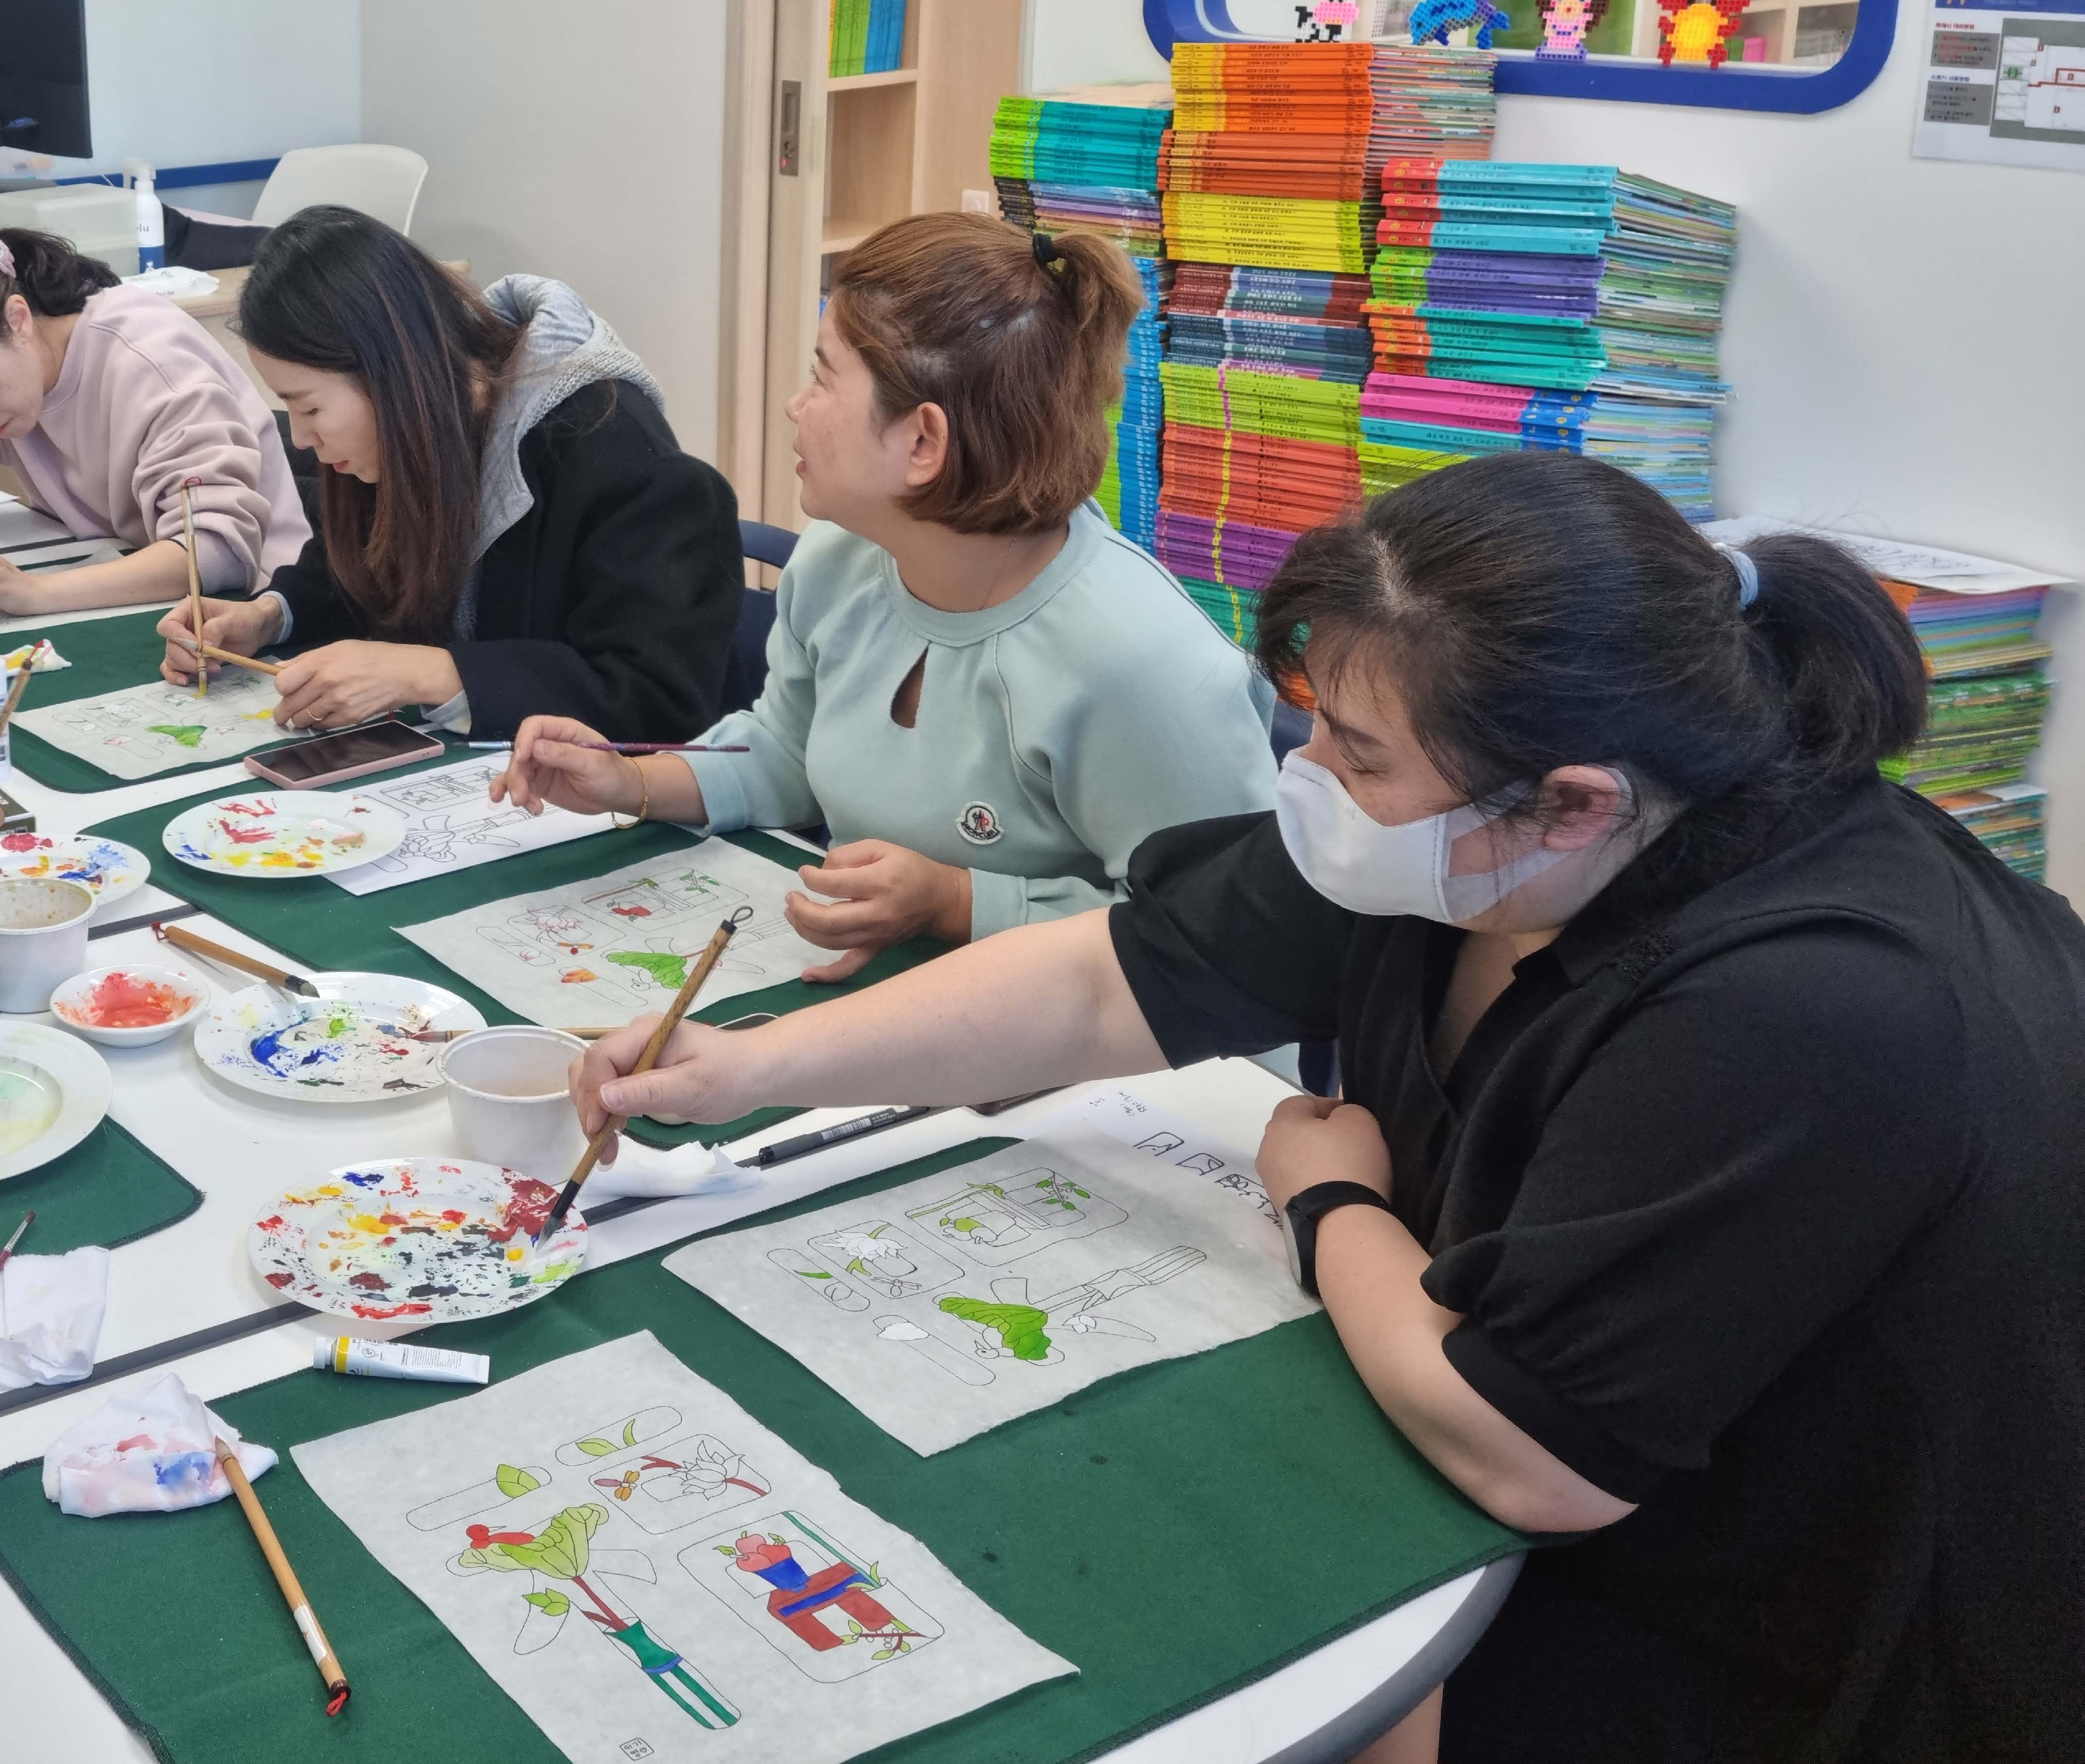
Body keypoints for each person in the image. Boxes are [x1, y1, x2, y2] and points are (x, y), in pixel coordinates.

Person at [562, 455, 2085, 1759]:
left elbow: (1533, 1456)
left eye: (1356, 751)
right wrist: (744, 1067)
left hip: (1799, 1636)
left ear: (1573, 799)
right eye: (1317, 724)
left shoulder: (1806, 1002)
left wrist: (1333, 1202)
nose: (1314, 778)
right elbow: (1106, 983)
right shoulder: (1469, 826)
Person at [496, 214, 1277, 972]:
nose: (796, 407)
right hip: (923, 1007)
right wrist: (631, 783)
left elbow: (1226, 943)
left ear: (923, 442)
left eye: (820, 376)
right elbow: (789, 748)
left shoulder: (1141, 665)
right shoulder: (844, 559)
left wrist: (958, 901)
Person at [159, 204, 740, 735]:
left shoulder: (614, 453)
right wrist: (267, 616)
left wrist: (430, 673)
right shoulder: (413, 432)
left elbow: (657, 699)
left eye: (309, 407)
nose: (303, 439)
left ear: (391, 374)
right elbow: (363, 572)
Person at [0, 217, 308, 623]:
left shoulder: (145, 359)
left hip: (256, 607)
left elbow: (217, 551)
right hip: (130, 590)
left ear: (17, 320)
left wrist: (35, 592)